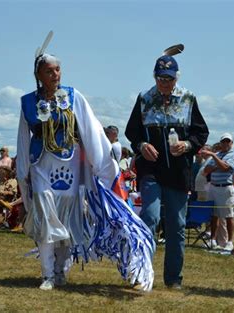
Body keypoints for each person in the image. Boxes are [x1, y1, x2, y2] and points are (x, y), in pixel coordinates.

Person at [16, 38, 153, 291]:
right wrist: (22, 171)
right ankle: (47, 274)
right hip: (41, 165)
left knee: (69, 221)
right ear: (38, 75)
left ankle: (60, 272)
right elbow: (23, 139)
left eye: (58, 69)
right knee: (46, 217)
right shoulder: (27, 102)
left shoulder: (72, 96)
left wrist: (105, 167)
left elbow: (91, 130)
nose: (55, 74)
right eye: (49, 70)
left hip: (70, 167)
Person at [125, 47, 209, 289]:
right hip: (151, 170)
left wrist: (187, 145)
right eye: (161, 78)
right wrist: (141, 146)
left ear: (177, 78)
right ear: (154, 77)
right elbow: (132, 131)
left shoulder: (188, 98)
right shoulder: (144, 99)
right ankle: (143, 274)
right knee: (149, 217)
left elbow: (201, 132)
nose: (165, 83)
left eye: (169, 79)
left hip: (179, 172)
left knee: (176, 225)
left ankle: (173, 279)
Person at [201, 133, 234, 251]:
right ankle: (213, 239)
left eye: (228, 141)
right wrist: (218, 162)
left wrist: (213, 156)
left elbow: (225, 168)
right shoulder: (217, 155)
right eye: (223, 141)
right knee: (214, 214)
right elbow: (206, 170)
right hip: (214, 186)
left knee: (228, 215)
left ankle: (229, 242)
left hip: (226, 187)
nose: (225, 144)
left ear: (231, 143)